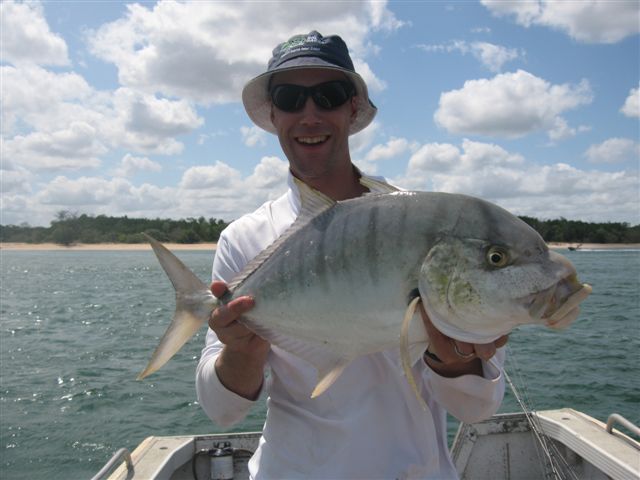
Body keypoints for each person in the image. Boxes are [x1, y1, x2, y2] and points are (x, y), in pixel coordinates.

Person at [196, 31, 508, 479]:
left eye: (329, 95)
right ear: (273, 113)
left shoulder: (429, 227)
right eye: (289, 97)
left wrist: (456, 359)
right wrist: (244, 350)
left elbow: (476, 410)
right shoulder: (246, 239)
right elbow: (222, 411)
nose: (310, 114)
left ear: (353, 109)